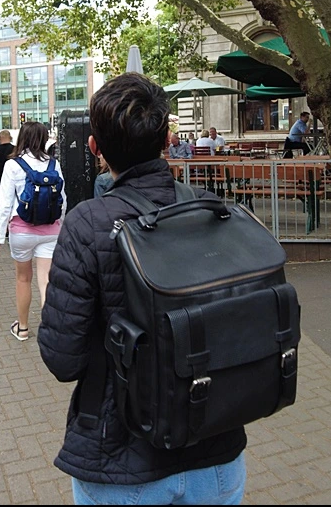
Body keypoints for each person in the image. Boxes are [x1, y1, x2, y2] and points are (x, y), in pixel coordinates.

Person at [38, 73, 246, 505]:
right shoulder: (209, 210)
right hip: (215, 446)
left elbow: (63, 358)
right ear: (168, 139)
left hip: (120, 455)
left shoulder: (86, 224)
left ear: (94, 147)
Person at [0, 121, 67, 341]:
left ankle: (22, 328)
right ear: (44, 139)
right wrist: (60, 225)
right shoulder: (53, 163)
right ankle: (51, 332)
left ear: (21, 138)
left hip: (21, 231)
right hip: (50, 231)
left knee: (23, 279)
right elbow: (62, 199)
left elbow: (5, 203)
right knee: (46, 282)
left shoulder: (13, 165)